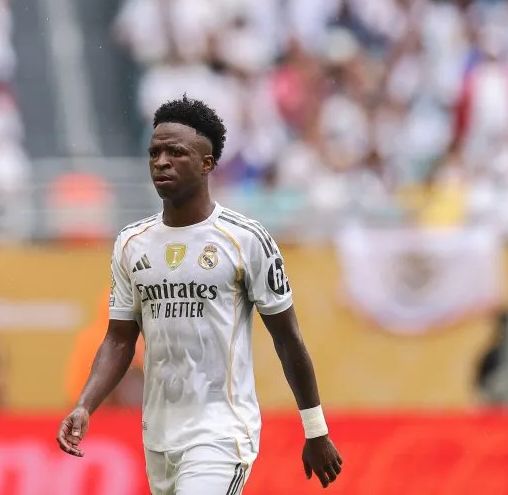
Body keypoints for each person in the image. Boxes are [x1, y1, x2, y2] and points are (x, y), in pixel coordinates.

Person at [56, 96, 343, 492]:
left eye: (176, 152)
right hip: (158, 434)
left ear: (207, 164)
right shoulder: (131, 243)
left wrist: (315, 429)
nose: (161, 161)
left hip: (222, 432)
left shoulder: (245, 239)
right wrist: (85, 405)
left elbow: (287, 338)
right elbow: (120, 339)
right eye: (154, 152)